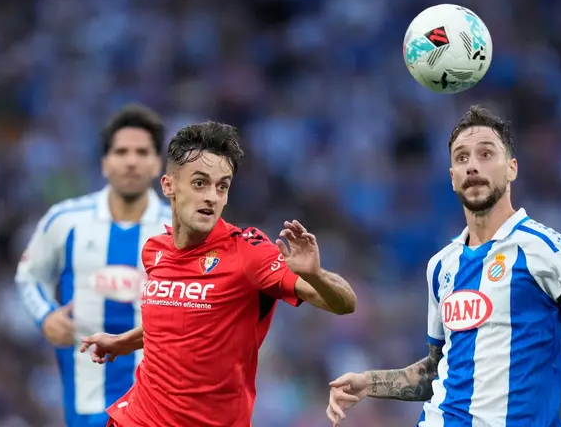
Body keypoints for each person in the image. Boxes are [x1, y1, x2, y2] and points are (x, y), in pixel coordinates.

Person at [327, 105, 561, 426]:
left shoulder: (544, 248)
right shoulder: (441, 266)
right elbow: (435, 371)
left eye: (486, 154)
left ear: (512, 168)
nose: (472, 166)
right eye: (462, 158)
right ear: (452, 178)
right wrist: (369, 382)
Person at [79, 121, 357, 427]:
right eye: (200, 183)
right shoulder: (155, 251)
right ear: (169, 185)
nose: (212, 196)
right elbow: (179, 322)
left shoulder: (247, 252)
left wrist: (315, 275)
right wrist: (124, 342)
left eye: (221, 186)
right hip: (135, 419)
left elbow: (344, 303)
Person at [15, 104, 169, 427]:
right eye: (121, 151)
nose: (131, 161)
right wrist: (46, 316)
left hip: (159, 396)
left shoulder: (178, 228)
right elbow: (29, 276)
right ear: (105, 162)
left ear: (157, 164)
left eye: (142, 152)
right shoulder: (66, 220)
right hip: (87, 393)